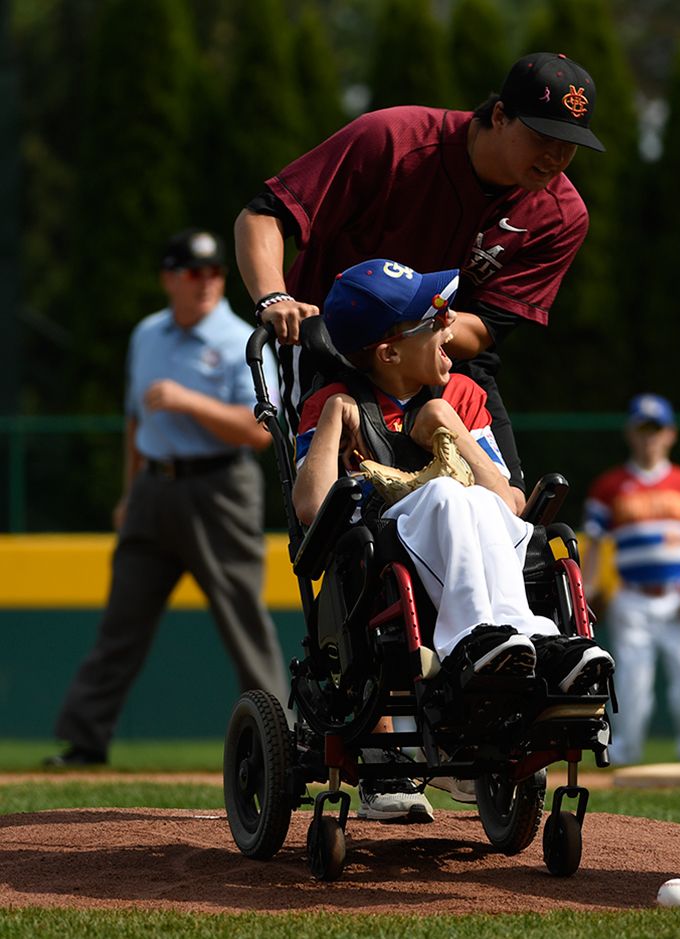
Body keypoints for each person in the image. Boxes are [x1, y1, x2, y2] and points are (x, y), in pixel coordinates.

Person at [295, 257, 613, 820]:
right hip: (382, 569)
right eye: (435, 317)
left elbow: (511, 504)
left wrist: (453, 432)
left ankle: (534, 642)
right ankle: (476, 640)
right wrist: (329, 427)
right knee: (448, 498)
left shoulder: (461, 395)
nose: (452, 325)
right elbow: (311, 511)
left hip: (485, 550)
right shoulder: (335, 404)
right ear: (389, 351)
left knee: (473, 500)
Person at [234, 51, 605, 503]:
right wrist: (274, 297)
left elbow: (485, 329)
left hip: (448, 364)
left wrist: (420, 331)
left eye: (571, 143)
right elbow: (263, 216)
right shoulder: (392, 139)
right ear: (501, 116)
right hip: (330, 348)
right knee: (344, 524)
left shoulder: (560, 216)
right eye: (543, 135)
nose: (556, 156)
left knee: (514, 515)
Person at [46, 229, 289, 767]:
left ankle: (283, 745)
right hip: (153, 487)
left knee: (244, 620)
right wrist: (129, 492)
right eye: (192, 272)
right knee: (121, 623)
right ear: (169, 278)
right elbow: (136, 419)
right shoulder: (147, 335)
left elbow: (262, 431)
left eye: (214, 272)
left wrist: (188, 402)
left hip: (219, 487)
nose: (205, 282)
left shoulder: (240, 341)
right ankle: (84, 741)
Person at [582, 394, 680, 765]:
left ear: (670, 434)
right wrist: (588, 591)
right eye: (642, 430)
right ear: (630, 433)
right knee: (632, 681)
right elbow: (594, 545)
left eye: (656, 430)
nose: (649, 438)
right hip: (632, 597)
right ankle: (625, 749)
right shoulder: (609, 486)